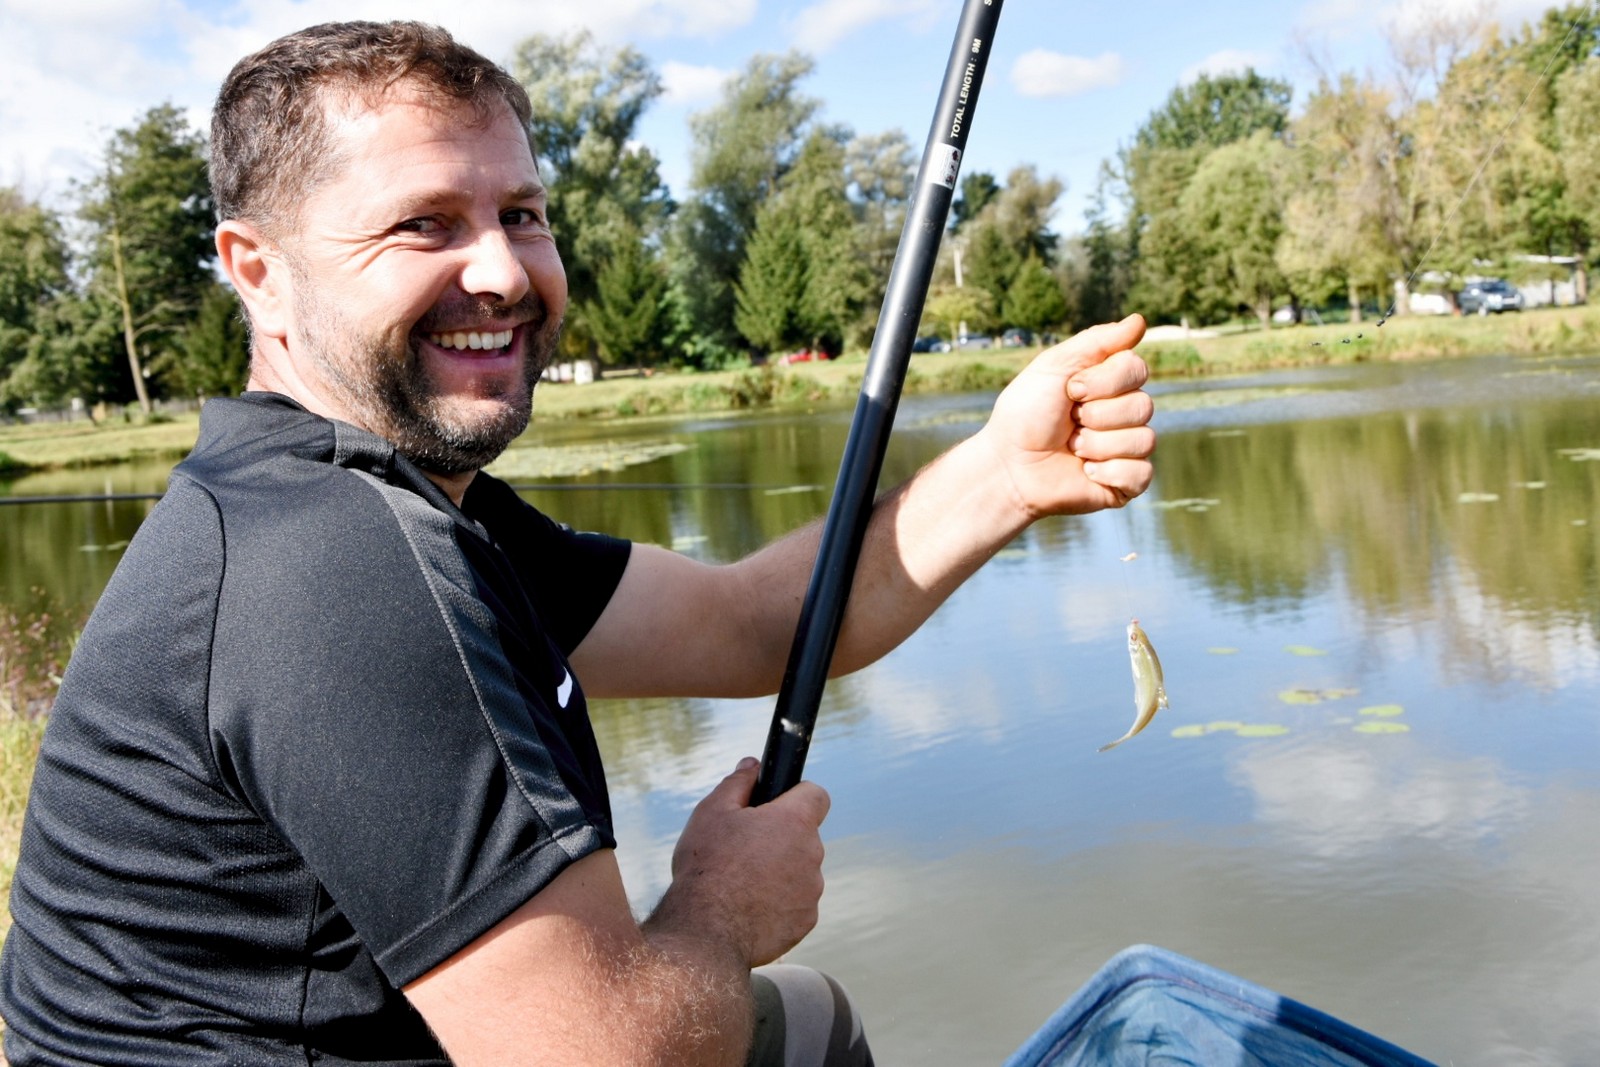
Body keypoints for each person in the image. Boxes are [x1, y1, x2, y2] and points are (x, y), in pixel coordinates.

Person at [0, 20, 1155, 1067]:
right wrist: (716, 907)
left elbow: (752, 622)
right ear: (257, 270)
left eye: (522, 214)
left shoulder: (411, 505)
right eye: (424, 224)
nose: (503, 271)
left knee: (805, 1021)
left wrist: (1002, 475)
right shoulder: (331, 568)